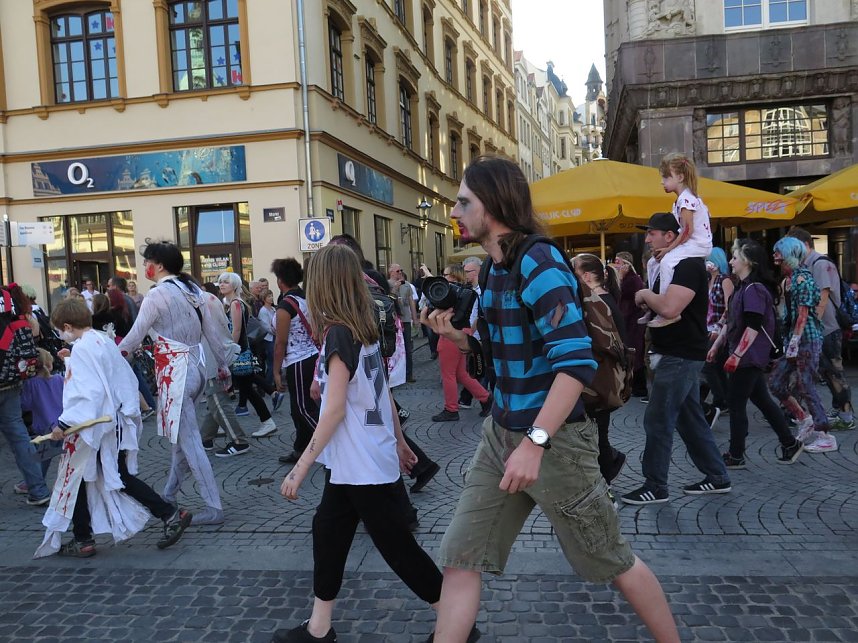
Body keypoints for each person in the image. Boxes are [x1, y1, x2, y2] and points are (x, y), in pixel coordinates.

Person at [423, 156, 679, 643]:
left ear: (494, 205)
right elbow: (511, 358)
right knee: (460, 558)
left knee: (613, 558)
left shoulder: (538, 262)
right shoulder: (497, 269)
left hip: (555, 443)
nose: (453, 212)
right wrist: (461, 342)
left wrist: (535, 443)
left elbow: (576, 362)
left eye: (463, 202)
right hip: (502, 435)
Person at [272, 243, 446, 643]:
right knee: (327, 531)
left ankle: (454, 619)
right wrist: (402, 444)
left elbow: (333, 412)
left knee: (398, 548)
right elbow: (380, 391)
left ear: (322, 285)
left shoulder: (338, 333)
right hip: (357, 460)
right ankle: (319, 628)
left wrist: (300, 469)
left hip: (363, 463)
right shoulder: (361, 325)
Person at [35, 298, 192, 558]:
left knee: (82, 478)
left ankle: (165, 514)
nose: (61, 336)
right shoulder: (98, 340)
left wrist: (64, 423)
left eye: (61, 331)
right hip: (111, 422)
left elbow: (90, 391)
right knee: (95, 477)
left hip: (94, 426)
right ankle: (86, 536)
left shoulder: (85, 348)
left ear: (67, 326)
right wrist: (71, 359)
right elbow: (106, 376)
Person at [118, 241, 232, 526]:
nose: (144, 266)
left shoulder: (157, 295)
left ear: (156, 265)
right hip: (195, 367)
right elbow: (214, 334)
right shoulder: (192, 291)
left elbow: (133, 338)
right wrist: (223, 365)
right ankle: (169, 494)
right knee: (184, 441)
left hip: (175, 371)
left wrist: (107, 355)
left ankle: (213, 506)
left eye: (146, 262)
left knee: (190, 441)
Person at [621, 212, 731, 505]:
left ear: (670, 236)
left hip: (680, 354)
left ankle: (655, 485)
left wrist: (644, 292)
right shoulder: (668, 264)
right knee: (690, 418)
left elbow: (669, 308)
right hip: (674, 352)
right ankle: (718, 477)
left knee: (658, 419)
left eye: (652, 233)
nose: (647, 239)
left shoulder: (687, 265)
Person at [709, 239, 804, 468]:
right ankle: (789, 443)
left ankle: (736, 454)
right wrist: (717, 345)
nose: (731, 261)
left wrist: (737, 355)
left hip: (750, 356)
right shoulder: (742, 287)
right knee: (762, 400)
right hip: (747, 355)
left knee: (736, 402)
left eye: (735, 257)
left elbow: (753, 326)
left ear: (748, 262)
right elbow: (730, 321)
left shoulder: (754, 289)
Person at [768, 237, 837, 453]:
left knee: (806, 385)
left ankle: (825, 434)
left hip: (807, 339)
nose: (774, 256)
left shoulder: (803, 280)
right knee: (776, 382)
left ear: (788, 253)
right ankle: (804, 418)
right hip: (794, 341)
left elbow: (803, 315)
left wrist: (795, 342)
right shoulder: (787, 281)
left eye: (777, 252)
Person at [787, 227, 855, 431]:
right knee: (808, 373)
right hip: (816, 330)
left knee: (833, 373)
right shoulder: (805, 265)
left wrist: (810, 329)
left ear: (804, 245)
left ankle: (846, 414)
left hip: (826, 329)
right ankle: (798, 412)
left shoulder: (820, 264)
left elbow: (822, 300)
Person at [572, 253, 628, 486]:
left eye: (573, 270)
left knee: (597, 436)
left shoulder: (598, 302)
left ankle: (605, 482)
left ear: (585, 276)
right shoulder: (602, 299)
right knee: (597, 434)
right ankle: (608, 468)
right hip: (603, 376)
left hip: (600, 378)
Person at [640, 152, 713, 328]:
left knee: (666, 263)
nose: (662, 181)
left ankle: (666, 309)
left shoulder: (686, 199)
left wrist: (668, 249)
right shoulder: (682, 200)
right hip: (692, 242)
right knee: (653, 263)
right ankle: (654, 306)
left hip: (698, 244)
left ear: (680, 177)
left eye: (666, 177)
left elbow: (687, 230)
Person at [0, 283, 51, 507]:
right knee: (20, 436)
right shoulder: (6, 298)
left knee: (19, 435)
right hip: (11, 377)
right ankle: (38, 490)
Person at [271, 258, 320, 465]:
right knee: (297, 408)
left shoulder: (285, 306)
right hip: (312, 356)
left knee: (303, 408)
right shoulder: (305, 298)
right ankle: (300, 448)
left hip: (298, 360)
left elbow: (280, 342)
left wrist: (275, 371)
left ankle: (332, 440)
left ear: (281, 280)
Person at [218, 272, 278, 438]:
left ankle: (267, 422)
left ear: (235, 286)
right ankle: (222, 423)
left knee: (242, 389)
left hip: (239, 352)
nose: (222, 285)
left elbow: (236, 330)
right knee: (244, 388)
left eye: (226, 282)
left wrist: (230, 350)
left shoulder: (236, 304)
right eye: (221, 282)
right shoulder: (233, 303)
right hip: (240, 351)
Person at [430, 263, 492, 422]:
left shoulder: (451, 293)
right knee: (461, 374)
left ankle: (451, 409)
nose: (442, 278)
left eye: (445, 275)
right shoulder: (467, 292)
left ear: (453, 276)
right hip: (462, 332)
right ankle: (486, 399)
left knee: (448, 374)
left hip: (452, 333)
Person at [197, 289, 248, 457]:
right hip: (218, 353)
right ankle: (205, 438)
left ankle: (239, 441)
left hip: (214, 356)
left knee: (218, 400)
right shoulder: (208, 298)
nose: (222, 284)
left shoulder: (200, 301)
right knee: (214, 399)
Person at [700, 247, 734, 427]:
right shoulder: (708, 280)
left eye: (709, 259)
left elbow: (730, 308)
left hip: (719, 330)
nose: (707, 262)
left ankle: (720, 400)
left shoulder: (725, 280)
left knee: (708, 367)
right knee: (716, 367)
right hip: (706, 328)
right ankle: (726, 399)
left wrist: (719, 326)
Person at [613, 251, 648, 398]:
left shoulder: (633, 279)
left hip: (633, 321)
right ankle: (634, 385)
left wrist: (619, 277)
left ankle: (640, 387)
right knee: (630, 351)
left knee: (636, 353)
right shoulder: (629, 278)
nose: (616, 265)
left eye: (618, 262)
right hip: (627, 320)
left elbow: (623, 293)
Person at [388, 263, 417, 383]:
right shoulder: (387, 284)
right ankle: (395, 374)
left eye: (401, 270)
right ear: (391, 272)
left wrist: (415, 319)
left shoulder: (407, 286)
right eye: (397, 271)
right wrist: (395, 288)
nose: (400, 273)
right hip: (393, 320)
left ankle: (408, 374)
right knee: (395, 348)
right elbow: (389, 298)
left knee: (408, 347)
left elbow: (411, 303)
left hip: (405, 319)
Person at [258, 288, 278, 390]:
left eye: (271, 296)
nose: (271, 298)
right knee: (271, 362)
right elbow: (265, 326)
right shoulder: (263, 311)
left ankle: (272, 383)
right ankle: (268, 384)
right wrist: (275, 331)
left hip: (275, 337)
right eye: (269, 296)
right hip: (269, 338)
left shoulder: (273, 309)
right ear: (264, 299)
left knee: (275, 361)